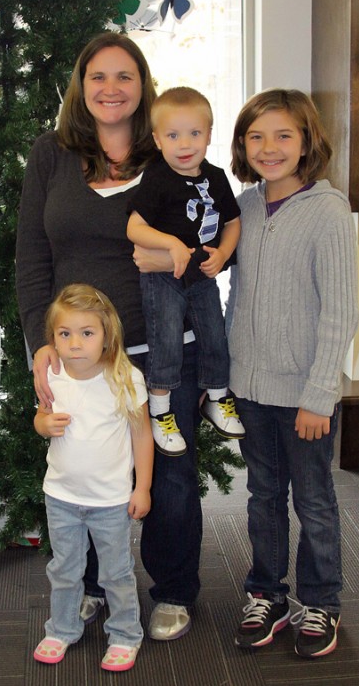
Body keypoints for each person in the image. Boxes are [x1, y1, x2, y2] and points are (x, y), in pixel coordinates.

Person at [16, 32, 203, 641]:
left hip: (161, 346)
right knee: (85, 467)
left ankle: (173, 590)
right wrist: (39, 341)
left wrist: (172, 255)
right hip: (77, 355)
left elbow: (202, 237)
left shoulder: (168, 152)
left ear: (142, 85)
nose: (111, 88)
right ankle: (93, 586)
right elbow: (31, 255)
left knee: (169, 476)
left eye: (125, 76)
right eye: (98, 76)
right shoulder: (51, 153)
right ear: (81, 84)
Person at [228, 88, 358, 658]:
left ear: (307, 141)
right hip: (251, 387)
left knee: (314, 499)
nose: (269, 147)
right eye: (256, 136)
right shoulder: (246, 205)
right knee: (262, 495)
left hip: (305, 394)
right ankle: (267, 593)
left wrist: (320, 394)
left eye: (283, 135)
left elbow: (340, 312)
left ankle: (322, 601)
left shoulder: (328, 211)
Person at [32, 284, 153, 671]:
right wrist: (43, 423)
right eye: (65, 334)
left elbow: (142, 435)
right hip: (61, 496)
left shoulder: (124, 378)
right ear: (53, 338)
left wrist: (143, 487)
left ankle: (125, 634)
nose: (75, 343)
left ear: (106, 335)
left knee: (116, 572)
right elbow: (39, 416)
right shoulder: (53, 375)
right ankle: (62, 628)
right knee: (64, 569)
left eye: (87, 333)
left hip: (110, 501)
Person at [127, 86, 245, 455]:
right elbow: (134, 227)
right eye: (173, 135)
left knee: (214, 333)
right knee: (166, 343)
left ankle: (217, 396)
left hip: (202, 275)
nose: (185, 143)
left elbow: (233, 221)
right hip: (162, 279)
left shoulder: (216, 176)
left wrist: (224, 253)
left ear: (209, 135)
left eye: (195, 133)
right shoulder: (158, 177)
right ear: (158, 139)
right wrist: (172, 244)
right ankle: (160, 412)